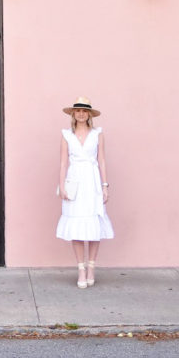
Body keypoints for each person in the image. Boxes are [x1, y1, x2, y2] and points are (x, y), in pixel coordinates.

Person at [56, 97, 114, 289]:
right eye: (77, 111)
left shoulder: (98, 134)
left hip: (92, 181)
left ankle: (91, 267)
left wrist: (105, 185)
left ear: (89, 114)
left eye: (84, 111)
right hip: (74, 181)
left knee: (94, 224)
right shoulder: (66, 135)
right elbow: (64, 161)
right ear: (73, 114)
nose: (81, 114)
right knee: (77, 225)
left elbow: (102, 160)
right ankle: (80, 268)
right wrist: (61, 185)